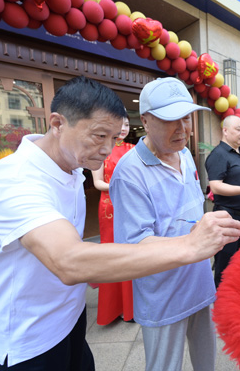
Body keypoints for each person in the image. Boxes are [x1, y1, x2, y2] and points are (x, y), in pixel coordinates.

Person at [0, 76, 240, 370]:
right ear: (57, 124)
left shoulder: (72, 169)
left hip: (70, 322)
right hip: (27, 342)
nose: (107, 150)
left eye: (113, 138)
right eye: (99, 136)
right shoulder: (16, 179)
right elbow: (69, 261)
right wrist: (192, 244)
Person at [110, 77, 239, 371]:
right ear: (145, 120)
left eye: (186, 118)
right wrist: (193, 240)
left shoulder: (184, 154)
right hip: (163, 292)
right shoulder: (129, 173)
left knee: (207, 361)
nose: (182, 129)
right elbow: (134, 245)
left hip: (199, 281)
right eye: (170, 120)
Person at [205, 115, 240, 287]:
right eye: (238, 129)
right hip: (227, 217)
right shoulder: (219, 154)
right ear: (225, 130)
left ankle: (237, 299)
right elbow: (215, 186)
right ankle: (222, 303)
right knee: (225, 265)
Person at [91, 116, 134, 325]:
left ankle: (132, 309)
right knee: (112, 255)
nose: (124, 128)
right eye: (120, 124)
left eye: (127, 124)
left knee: (131, 253)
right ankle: (113, 309)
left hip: (131, 205)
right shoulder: (100, 148)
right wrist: (122, 185)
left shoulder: (134, 149)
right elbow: (98, 183)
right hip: (110, 207)